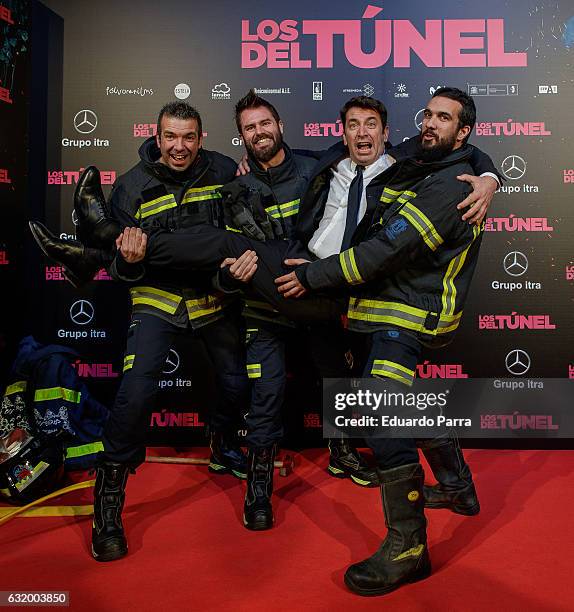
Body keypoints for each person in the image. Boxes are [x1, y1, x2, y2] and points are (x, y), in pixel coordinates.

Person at [270, 87, 484, 595]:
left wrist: (315, 276)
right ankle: (458, 487)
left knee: (380, 417)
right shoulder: (424, 160)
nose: (429, 125)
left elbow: (383, 252)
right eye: (427, 114)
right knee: (403, 405)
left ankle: (408, 548)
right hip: (380, 312)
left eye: (443, 118)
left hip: (405, 318)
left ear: (465, 132)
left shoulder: (449, 185)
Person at [32, 101, 252, 562]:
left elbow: (237, 238)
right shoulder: (131, 186)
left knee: (237, 382)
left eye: (188, 137)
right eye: (170, 136)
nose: (179, 146)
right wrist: (128, 262)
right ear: (156, 136)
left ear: (201, 137)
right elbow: (126, 274)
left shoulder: (225, 170)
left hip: (212, 293)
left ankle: (224, 442)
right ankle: (109, 499)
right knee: (134, 396)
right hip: (156, 296)